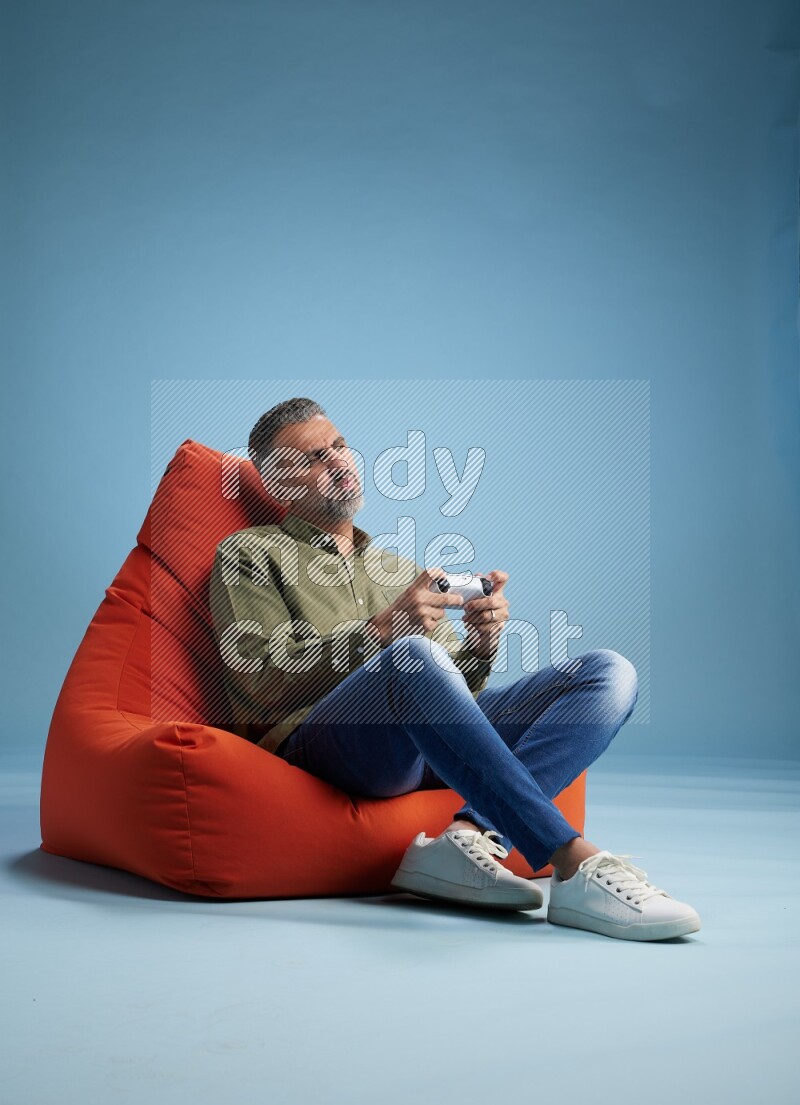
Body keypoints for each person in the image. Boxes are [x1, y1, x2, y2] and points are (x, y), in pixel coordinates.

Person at [209, 397, 701, 941]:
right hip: (319, 746)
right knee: (410, 655)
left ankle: (465, 838)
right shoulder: (249, 552)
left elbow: (450, 694)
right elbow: (259, 676)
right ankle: (573, 861)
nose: (339, 462)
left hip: (422, 746)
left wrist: (481, 644)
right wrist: (381, 633)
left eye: (340, 446)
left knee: (607, 672)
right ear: (279, 484)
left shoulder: (397, 569)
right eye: (314, 458)